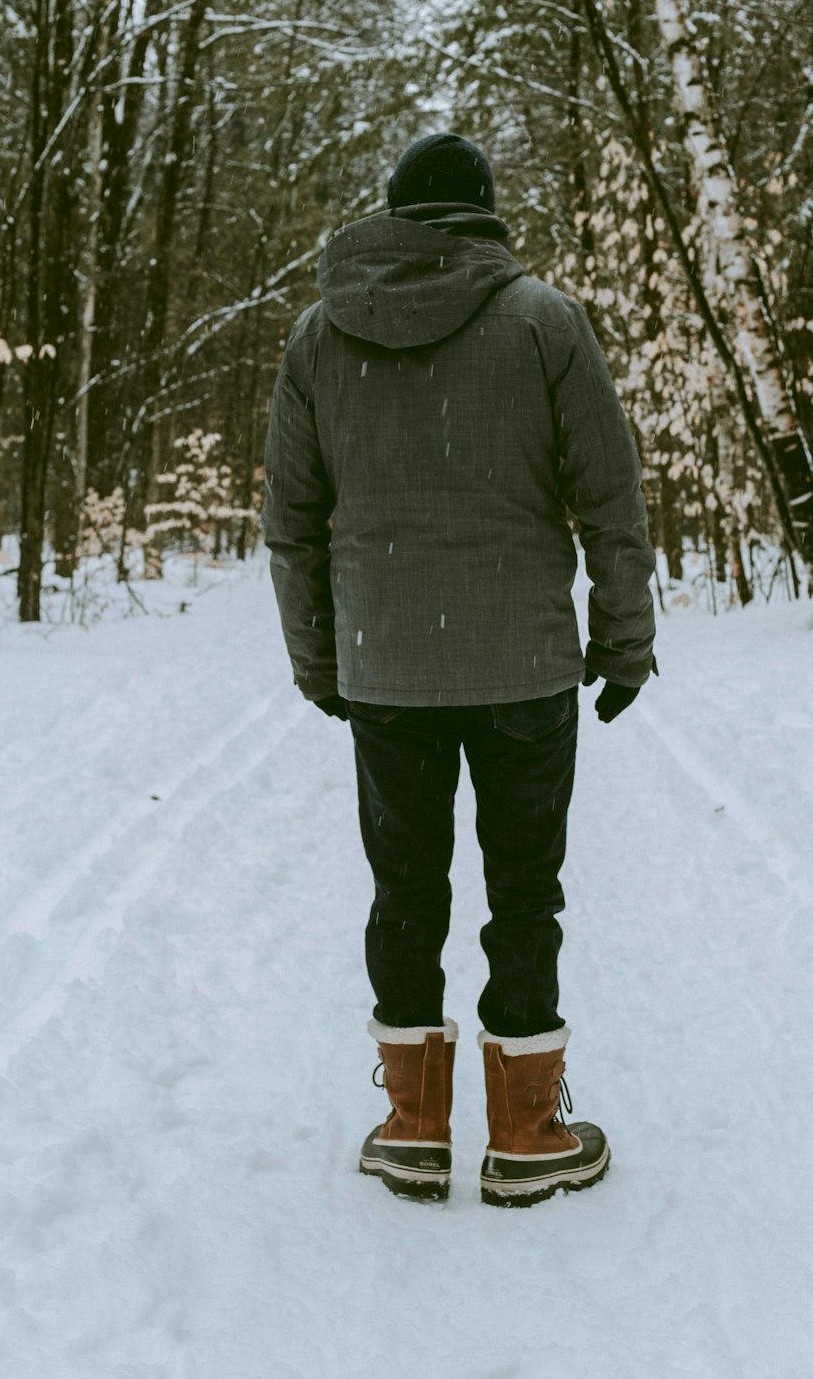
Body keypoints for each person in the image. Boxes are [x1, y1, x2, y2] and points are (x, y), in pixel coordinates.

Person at [261, 132, 657, 1207]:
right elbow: (611, 502)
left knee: (405, 887)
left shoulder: (318, 336)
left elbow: (290, 526)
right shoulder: (542, 322)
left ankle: (413, 1124)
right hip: (524, 665)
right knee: (524, 889)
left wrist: (320, 659)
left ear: (392, 216)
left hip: (386, 670)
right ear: (483, 214)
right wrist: (622, 642)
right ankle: (526, 1132)